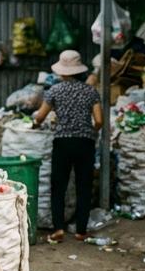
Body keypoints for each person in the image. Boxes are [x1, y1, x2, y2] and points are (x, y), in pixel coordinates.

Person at [33, 50, 103, 243]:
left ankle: (58, 229)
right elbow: (99, 120)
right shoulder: (90, 91)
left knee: (59, 186)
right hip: (85, 143)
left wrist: (35, 125)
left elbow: (40, 116)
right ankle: (81, 230)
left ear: (62, 71)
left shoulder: (55, 90)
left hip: (62, 142)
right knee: (84, 186)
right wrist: (90, 130)